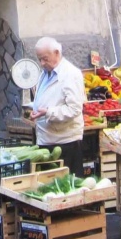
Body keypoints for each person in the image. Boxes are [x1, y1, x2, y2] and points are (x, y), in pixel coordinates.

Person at [29, 36, 85, 176]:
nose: (42, 63)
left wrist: (48, 112)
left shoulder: (70, 74)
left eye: (45, 59)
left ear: (57, 53)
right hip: (47, 139)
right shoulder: (45, 73)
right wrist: (34, 109)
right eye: (39, 59)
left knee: (66, 185)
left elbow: (74, 109)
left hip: (64, 142)